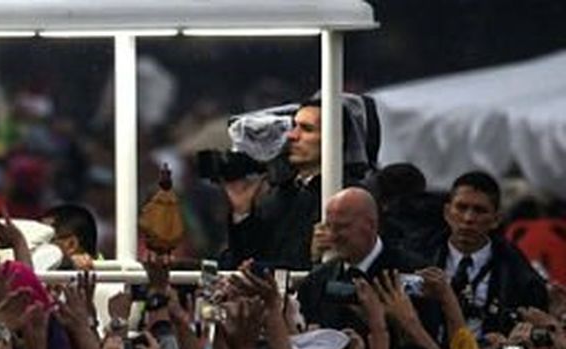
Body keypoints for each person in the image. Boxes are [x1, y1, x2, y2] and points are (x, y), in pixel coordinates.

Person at [426, 171, 547, 335]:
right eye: (461, 207)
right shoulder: (419, 258)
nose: (468, 218)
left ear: (496, 220)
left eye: (480, 210)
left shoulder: (519, 275)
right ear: (447, 212)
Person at [296, 188, 429, 333]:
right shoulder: (317, 281)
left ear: (370, 225)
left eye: (341, 227)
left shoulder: (412, 274)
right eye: (328, 226)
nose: (332, 236)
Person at [225, 101, 323, 269]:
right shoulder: (280, 194)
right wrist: (243, 213)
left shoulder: (349, 195)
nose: (292, 136)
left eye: (306, 129)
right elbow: (244, 261)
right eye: (293, 127)